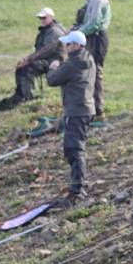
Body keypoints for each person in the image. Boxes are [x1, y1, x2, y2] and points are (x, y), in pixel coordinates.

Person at [46, 30, 95, 206]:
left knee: (74, 149)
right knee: (76, 148)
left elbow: (53, 80)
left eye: (68, 44)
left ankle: (77, 190)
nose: (65, 47)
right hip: (86, 108)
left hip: (76, 111)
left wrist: (52, 68)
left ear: (76, 45)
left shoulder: (73, 63)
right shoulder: (88, 58)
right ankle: (77, 186)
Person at [0, 7, 66, 112]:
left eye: (44, 18)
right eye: (40, 18)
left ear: (51, 17)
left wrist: (29, 59)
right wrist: (28, 59)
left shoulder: (54, 31)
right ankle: (23, 93)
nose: (42, 20)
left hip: (54, 61)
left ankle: (25, 96)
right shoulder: (48, 30)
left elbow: (47, 50)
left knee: (27, 68)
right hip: (48, 59)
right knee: (22, 67)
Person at [72, 0, 111, 122]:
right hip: (91, 36)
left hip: (97, 38)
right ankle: (91, 108)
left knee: (96, 72)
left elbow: (94, 24)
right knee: (89, 71)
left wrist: (77, 33)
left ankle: (99, 111)